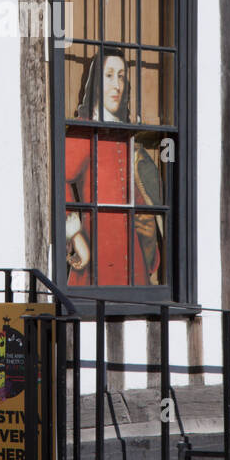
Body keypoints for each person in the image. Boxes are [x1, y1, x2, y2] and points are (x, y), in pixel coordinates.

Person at [65, 47, 162, 286]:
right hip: (98, 255)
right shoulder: (83, 129)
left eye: (121, 76)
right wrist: (76, 237)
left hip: (133, 259)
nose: (116, 85)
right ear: (97, 82)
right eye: (109, 75)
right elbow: (58, 179)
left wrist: (149, 237)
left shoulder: (124, 135)